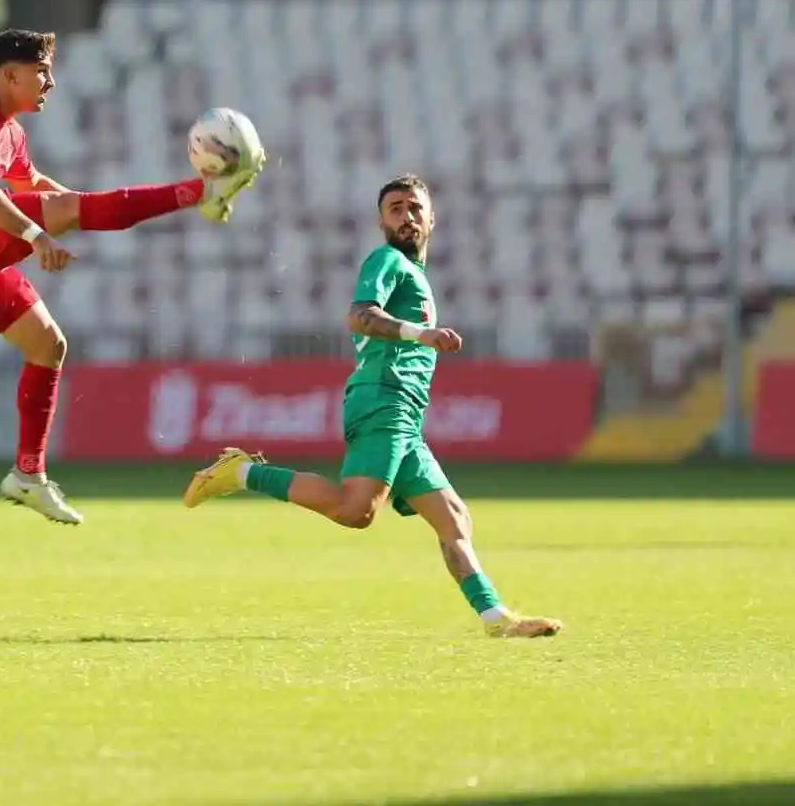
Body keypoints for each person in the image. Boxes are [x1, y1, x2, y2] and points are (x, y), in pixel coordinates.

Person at [0, 28, 264, 525]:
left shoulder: (9, 129)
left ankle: (28, 475)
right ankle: (199, 192)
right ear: (9, 74)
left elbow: (37, 187)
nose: (50, 81)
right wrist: (38, 233)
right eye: (42, 71)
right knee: (65, 214)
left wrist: (80, 210)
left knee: (48, 345)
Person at [183, 174, 563, 639]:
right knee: (355, 511)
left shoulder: (416, 275)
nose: (406, 215)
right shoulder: (386, 260)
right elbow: (360, 315)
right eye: (395, 208)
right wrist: (419, 333)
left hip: (405, 413)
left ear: (432, 217)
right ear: (382, 221)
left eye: (414, 207)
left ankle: (496, 620)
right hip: (382, 400)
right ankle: (240, 472)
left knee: (454, 518)